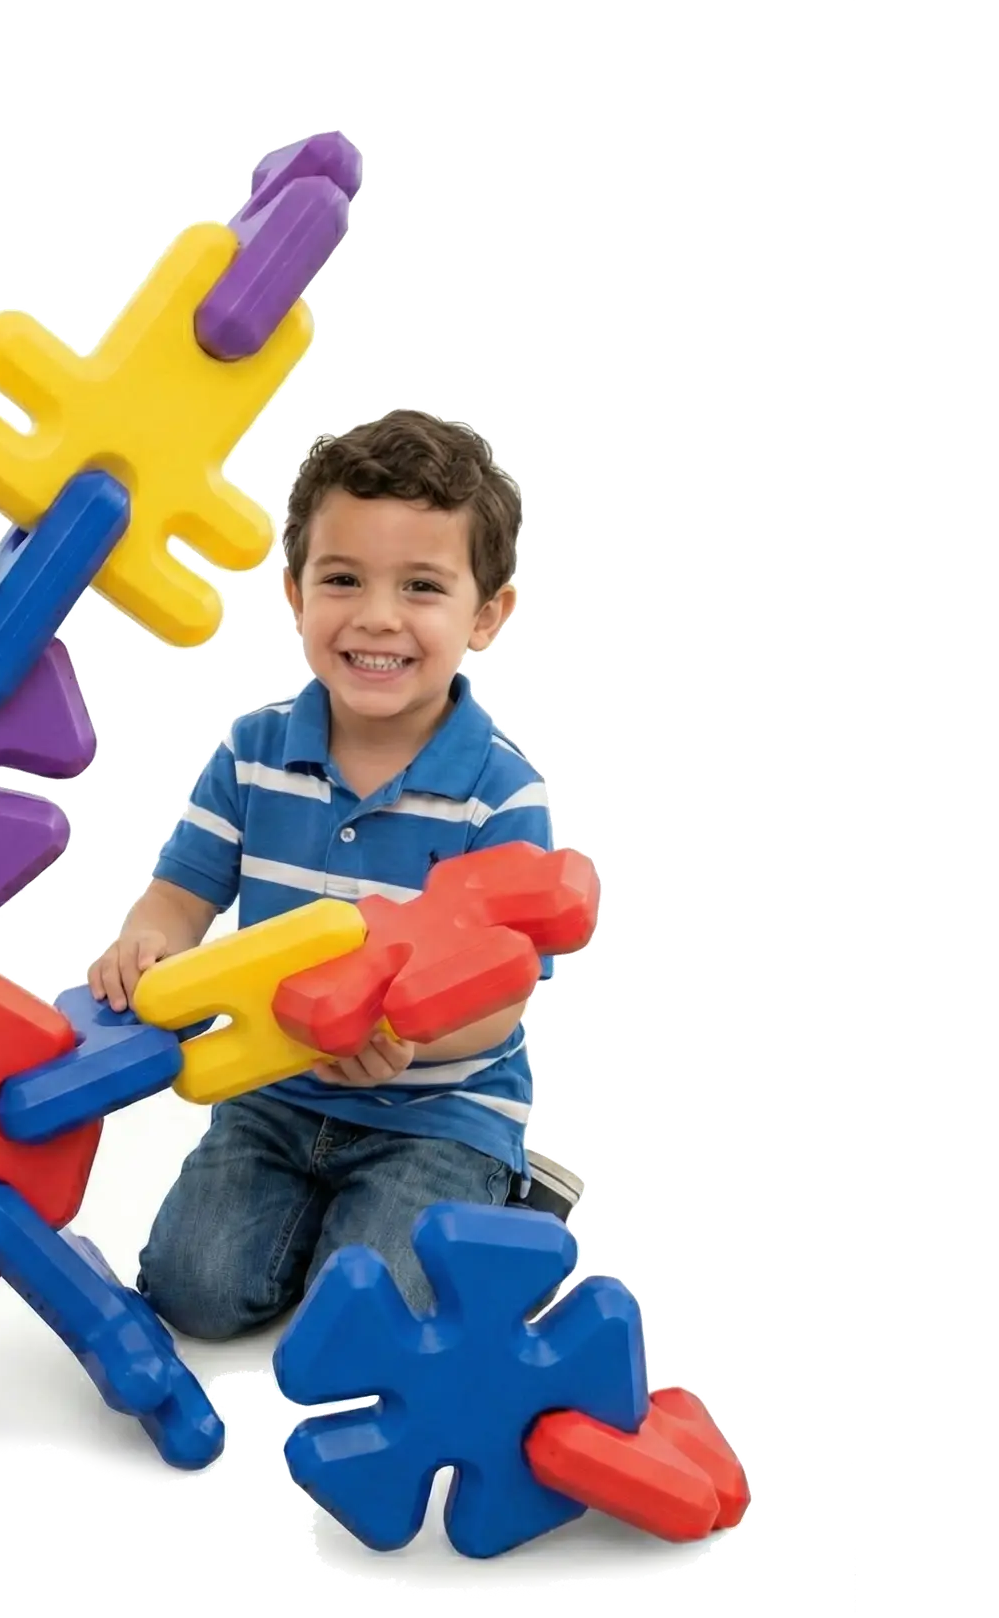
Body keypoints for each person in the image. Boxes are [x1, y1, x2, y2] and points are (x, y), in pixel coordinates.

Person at [88, 409, 587, 1340]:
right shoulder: (253, 754)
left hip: (440, 1109)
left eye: (422, 586)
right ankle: (324, 1228)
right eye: (343, 579)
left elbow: (502, 999)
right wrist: (146, 943)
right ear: (294, 592)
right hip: (277, 1096)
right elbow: (180, 896)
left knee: (362, 1328)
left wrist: (395, 1034)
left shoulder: (500, 796)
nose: (377, 616)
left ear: (487, 614)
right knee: (191, 1292)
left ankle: (509, 1210)